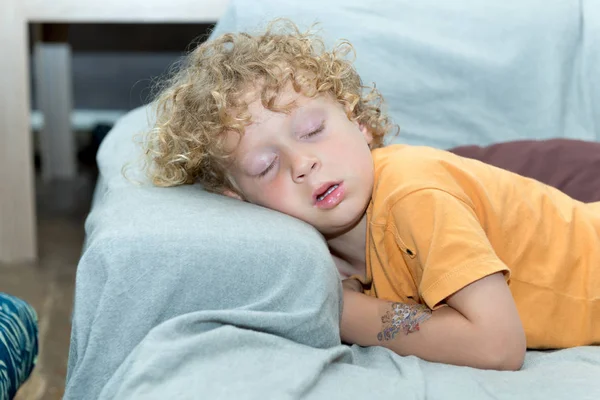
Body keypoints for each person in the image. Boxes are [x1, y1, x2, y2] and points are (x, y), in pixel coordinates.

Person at [144, 19, 600, 371]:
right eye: (266, 166)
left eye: (313, 130)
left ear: (358, 122)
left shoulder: (413, 196)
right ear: (237, 198)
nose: (302, 163)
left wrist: (344, 312)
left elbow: (499, 346)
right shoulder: (315, 250)